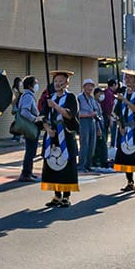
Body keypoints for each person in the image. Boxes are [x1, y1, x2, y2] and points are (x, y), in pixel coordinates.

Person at [41, 70, 81, 208]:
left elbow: (71, 115)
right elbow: (42, 116)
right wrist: (47, 129)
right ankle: (56, 195)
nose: (57, 84)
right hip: (52, 135)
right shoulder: (50, 97)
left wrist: (56, 106)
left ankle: (66, 196)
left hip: (66, 133)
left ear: (67, 83)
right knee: (53, 163)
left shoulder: (70, 97)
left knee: (67, 163)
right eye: (56, 81)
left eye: (60, 81)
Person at [16, 76, 41, 182]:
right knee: (30, 150)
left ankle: (29, 172)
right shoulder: (28, 96)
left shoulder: (27, 95)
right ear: (30, 85)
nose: (37, 85)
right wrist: (35, 119)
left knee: (31, 150)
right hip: (30, 126)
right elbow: (24, 111)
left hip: (29, 126)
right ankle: (26, 173)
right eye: (35, 83)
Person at [77, 79, 103, 172]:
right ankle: (81, 165)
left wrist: (98, 128)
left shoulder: (92, 99)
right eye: (87, 86)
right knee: (84, 144)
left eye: (91, 86)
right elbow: (76, 113)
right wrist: (88, 114)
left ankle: (88, 165)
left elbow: (96, 114)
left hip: (93, 122)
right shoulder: (79, 98)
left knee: (92, 144)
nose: (89, 88)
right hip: (83, 122)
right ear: (83, 87)